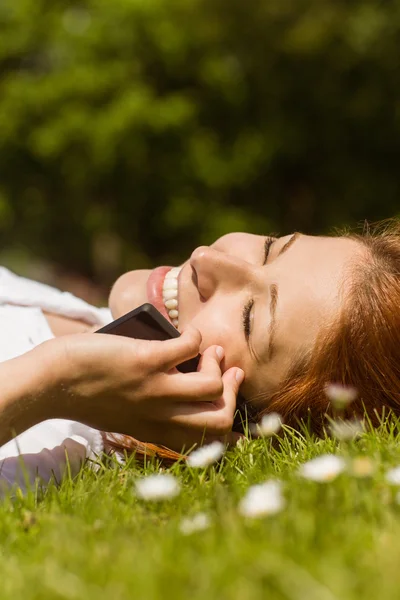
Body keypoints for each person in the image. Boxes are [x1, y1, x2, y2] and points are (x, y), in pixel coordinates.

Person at [0, 219, 399, 491]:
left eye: (249, 317)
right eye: (269, 249)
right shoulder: (80, 315)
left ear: (243, 418)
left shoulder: (42, 450)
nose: (207, 258)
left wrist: (54, 380)